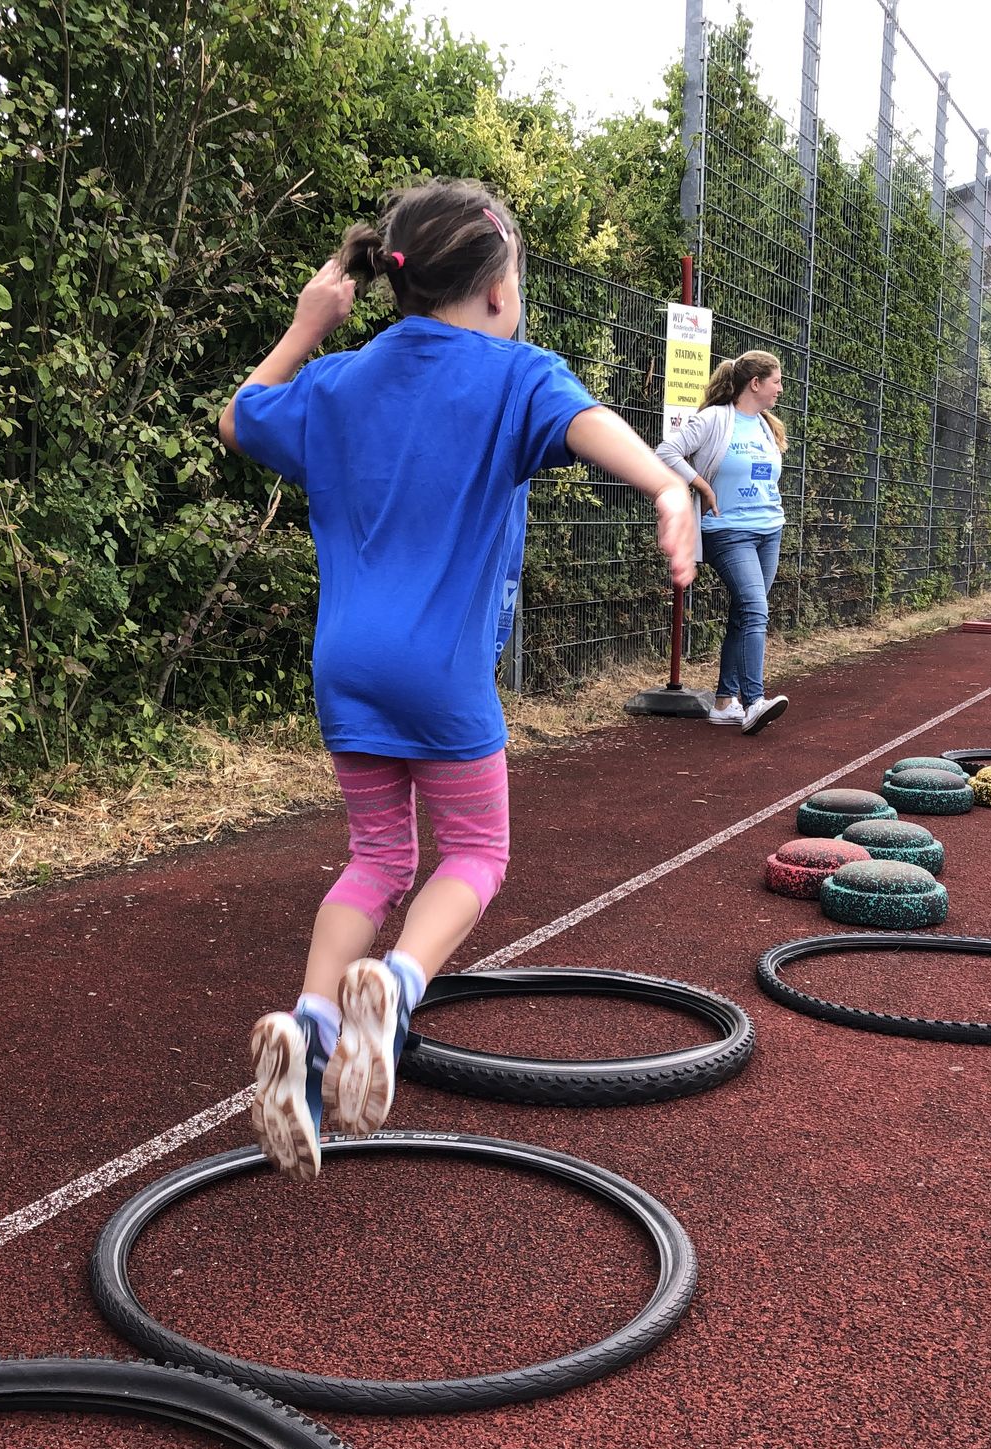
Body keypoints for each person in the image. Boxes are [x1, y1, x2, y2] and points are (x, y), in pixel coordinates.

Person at [218, 179, 697, 1180]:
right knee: (475, 852)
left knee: (377, 857)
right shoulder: (516, 374)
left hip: (345, 667)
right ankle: (394, 986)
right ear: (496, 289)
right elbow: (590, 425)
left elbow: (240, 417)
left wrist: (306, 327)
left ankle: (310, 1027)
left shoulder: (337, 381)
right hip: (440, 673)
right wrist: (662, 483)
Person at [653, 350, 791, 734]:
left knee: (745, 613)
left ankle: (724, 702)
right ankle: (754, 701)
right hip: (727, 531)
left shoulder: (766, 425)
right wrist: (701, 485)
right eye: (776, 381)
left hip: (770, 529)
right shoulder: (714, 418)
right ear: (755, 384)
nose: (781, 388)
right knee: (756, 609)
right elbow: (666, 452)